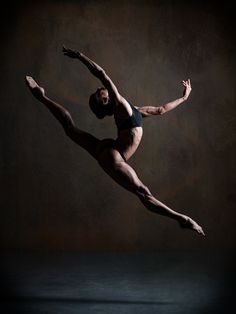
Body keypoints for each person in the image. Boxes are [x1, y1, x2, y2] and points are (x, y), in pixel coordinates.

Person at [25, 46, 205, 236]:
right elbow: (102, 74)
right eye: (98, 94)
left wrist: (184, 98)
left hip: (109, 148)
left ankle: (41, 96)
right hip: (114, 157)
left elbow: (160, 109)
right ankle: (183, 220)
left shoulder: (132, 109)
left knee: (70, 129)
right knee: (144, 193)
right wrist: (80, 57)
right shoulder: (119, 103)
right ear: (105, 101)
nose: (99, 89)